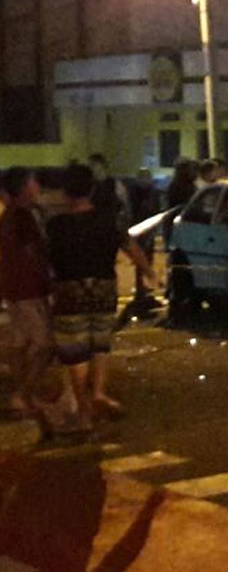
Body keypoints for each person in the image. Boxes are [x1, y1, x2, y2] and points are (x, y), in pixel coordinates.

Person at [45, 164, 156, 430]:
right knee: (100, 345)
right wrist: (149, 271)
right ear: (92, 189)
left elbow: (45, 261)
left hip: (69, 291)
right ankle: (98, 392)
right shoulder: (109, 220)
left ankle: (84, 410)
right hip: (103, 290)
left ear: (65, 193)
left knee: (75, 353)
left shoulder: (56, 225)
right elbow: (131, 247)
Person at [0, 168, 53, 422]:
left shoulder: (11, 215)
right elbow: (33, 255)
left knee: (19, 343)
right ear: (22, 188)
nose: (37, 185)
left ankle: (24, 395)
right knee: (44, 344)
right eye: (33, 181)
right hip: (28, 289)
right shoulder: (23, 216)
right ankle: (22, 393)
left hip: (14, 289)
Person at [127, 168, 162, 308]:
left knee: (147, 257)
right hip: (141, 228)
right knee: (142, 257)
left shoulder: (149, 192)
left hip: (145, 227)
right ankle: (140, 286)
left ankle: (142, 286)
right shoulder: (140, 192)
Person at [87, 154, 130, 232]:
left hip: (111, 224)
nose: (91, 168)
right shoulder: (90, 185)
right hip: (96, 225)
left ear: (102, 165)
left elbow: (124, 203)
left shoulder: (115, 183)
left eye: (93, 165)